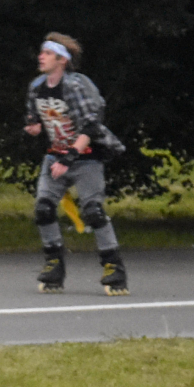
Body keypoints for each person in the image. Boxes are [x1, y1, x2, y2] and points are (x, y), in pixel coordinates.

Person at [24, 32, 126, 295]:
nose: (41, 56)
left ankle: (113, 267)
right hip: (55, 157)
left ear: (61, 60)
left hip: (86, 157)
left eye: (46, 53)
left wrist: (69, 158)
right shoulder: (37, 86)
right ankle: (54, 264)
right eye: (42, 52)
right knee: (43, 209)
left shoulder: (76, 86)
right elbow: (34, 116)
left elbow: (91, 125)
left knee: (93, 211)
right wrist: (34, 126)